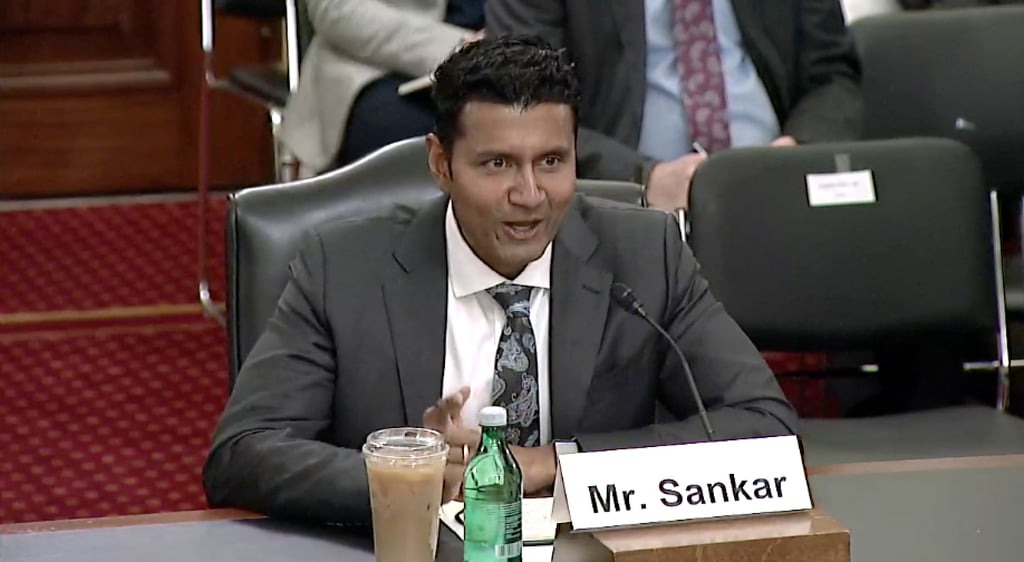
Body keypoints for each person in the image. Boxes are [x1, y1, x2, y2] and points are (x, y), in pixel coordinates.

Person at [203, 35, 797, 525]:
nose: (529, 196)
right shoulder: (344, 266)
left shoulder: (645, 255)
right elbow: (243, 454)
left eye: (551, 162)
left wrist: (552, 465)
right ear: (441, 164)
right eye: (497, 165)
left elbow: (764, 425)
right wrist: (416, 473)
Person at [485, 0, 863, 211]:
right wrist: (644, 179)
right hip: (624, 202)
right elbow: (524, 106)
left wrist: (798, 150)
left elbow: (832, 74)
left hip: (779, 187)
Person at [279, 0, 485, 175]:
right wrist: (460, 48)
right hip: (375, 65)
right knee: (421, 139)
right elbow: (336, 9)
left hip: (499, 60)